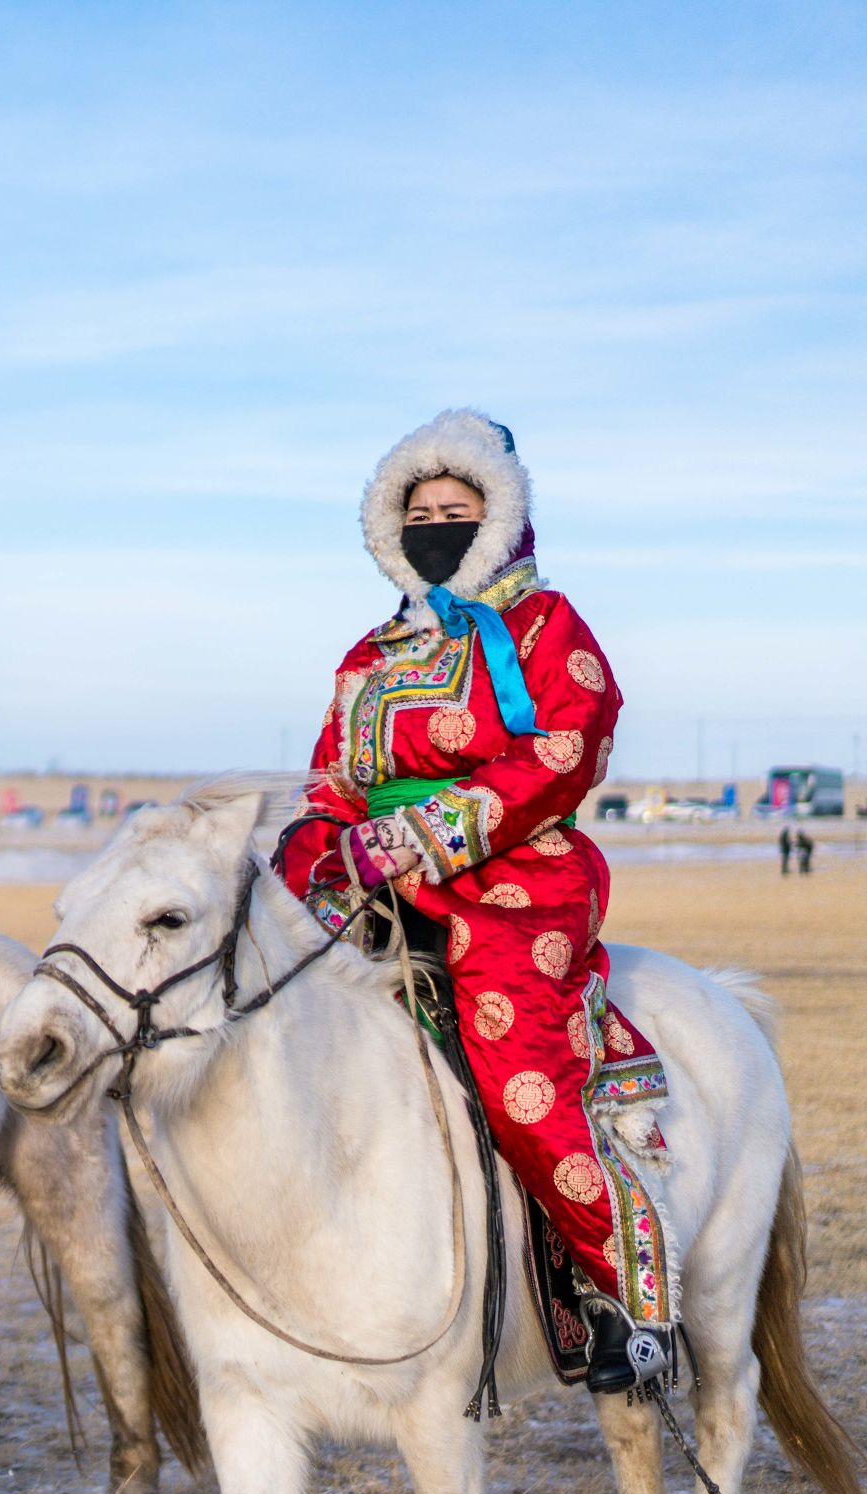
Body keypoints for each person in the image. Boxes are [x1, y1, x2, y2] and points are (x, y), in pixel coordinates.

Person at [277, 411, 676, 1393]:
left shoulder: (544, 625)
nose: (436, 525)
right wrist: (315, 837)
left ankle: (625, 1296)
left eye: (458, 511)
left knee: (517, 1082)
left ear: (500, 517)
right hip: (371, 879)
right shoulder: (374, 648)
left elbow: (563, 750)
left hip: (514, 883)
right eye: (420, 512)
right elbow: (335, 770)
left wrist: (418, 835)